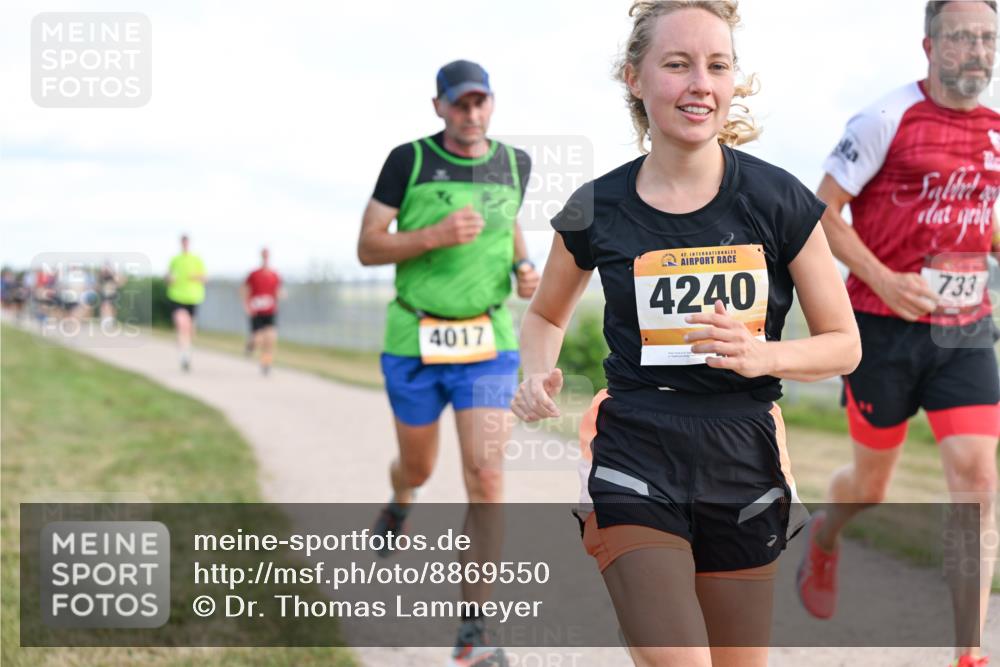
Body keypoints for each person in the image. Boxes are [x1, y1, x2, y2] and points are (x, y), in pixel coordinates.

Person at [510, 2, 860, 665]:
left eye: (718, 65)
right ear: (634, 79)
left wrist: (765, 354)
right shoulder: (595, 206)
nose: (701, 83)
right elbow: (547, 315)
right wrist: (535, 371)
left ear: (734, 83)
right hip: (635, 450)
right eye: (678, 64)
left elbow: (844, 342)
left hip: (744, 455)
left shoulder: (779, 201)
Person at [796, 3, 1000, 665]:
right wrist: (883, 279)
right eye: (963, 36)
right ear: (929, 45)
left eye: (988, 37)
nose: (977, 49)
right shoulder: (886, 118)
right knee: (870, 487)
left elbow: (984, 222)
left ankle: (968, 650)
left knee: (977, 478)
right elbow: (820, 211)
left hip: (963, 332)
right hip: (880, 331)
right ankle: (827, 532)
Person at [357, 59, 539, 667]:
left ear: (492, 104)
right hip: (414, 337)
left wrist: (522, 266)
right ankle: (401, 500)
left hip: (488, 342)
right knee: (418, 464)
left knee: (486, 478)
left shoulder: (515, 163)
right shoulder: (407, 161)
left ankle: (473, 631)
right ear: (438, 107)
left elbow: (508, 221)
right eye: (459, 104)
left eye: (480, 102)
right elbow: (367, 245)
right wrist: (430, 236)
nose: (471, 113)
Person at [166, 234, 206, 372]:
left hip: (193, 298)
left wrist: (196, 277)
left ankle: (187, 353)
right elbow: (168, 276)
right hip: (177, 297)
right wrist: (169, 279)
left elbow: (205, 277)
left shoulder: (196, 260)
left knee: (190, 330)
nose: (185, 245)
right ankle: (183, 356)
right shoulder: (175, 260)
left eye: (186, 243)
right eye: (183, 243)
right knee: (182, 324)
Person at [241, 247, 283, 376]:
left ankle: (266, 364)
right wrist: (246, 305)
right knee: (258, 339)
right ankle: (250, 344)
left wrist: (279, 298)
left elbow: (277, 292)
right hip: (256, 311)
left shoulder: (274, 275)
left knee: (270, 339)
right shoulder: (254, 274)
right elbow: (244, 289)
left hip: (270, 311)